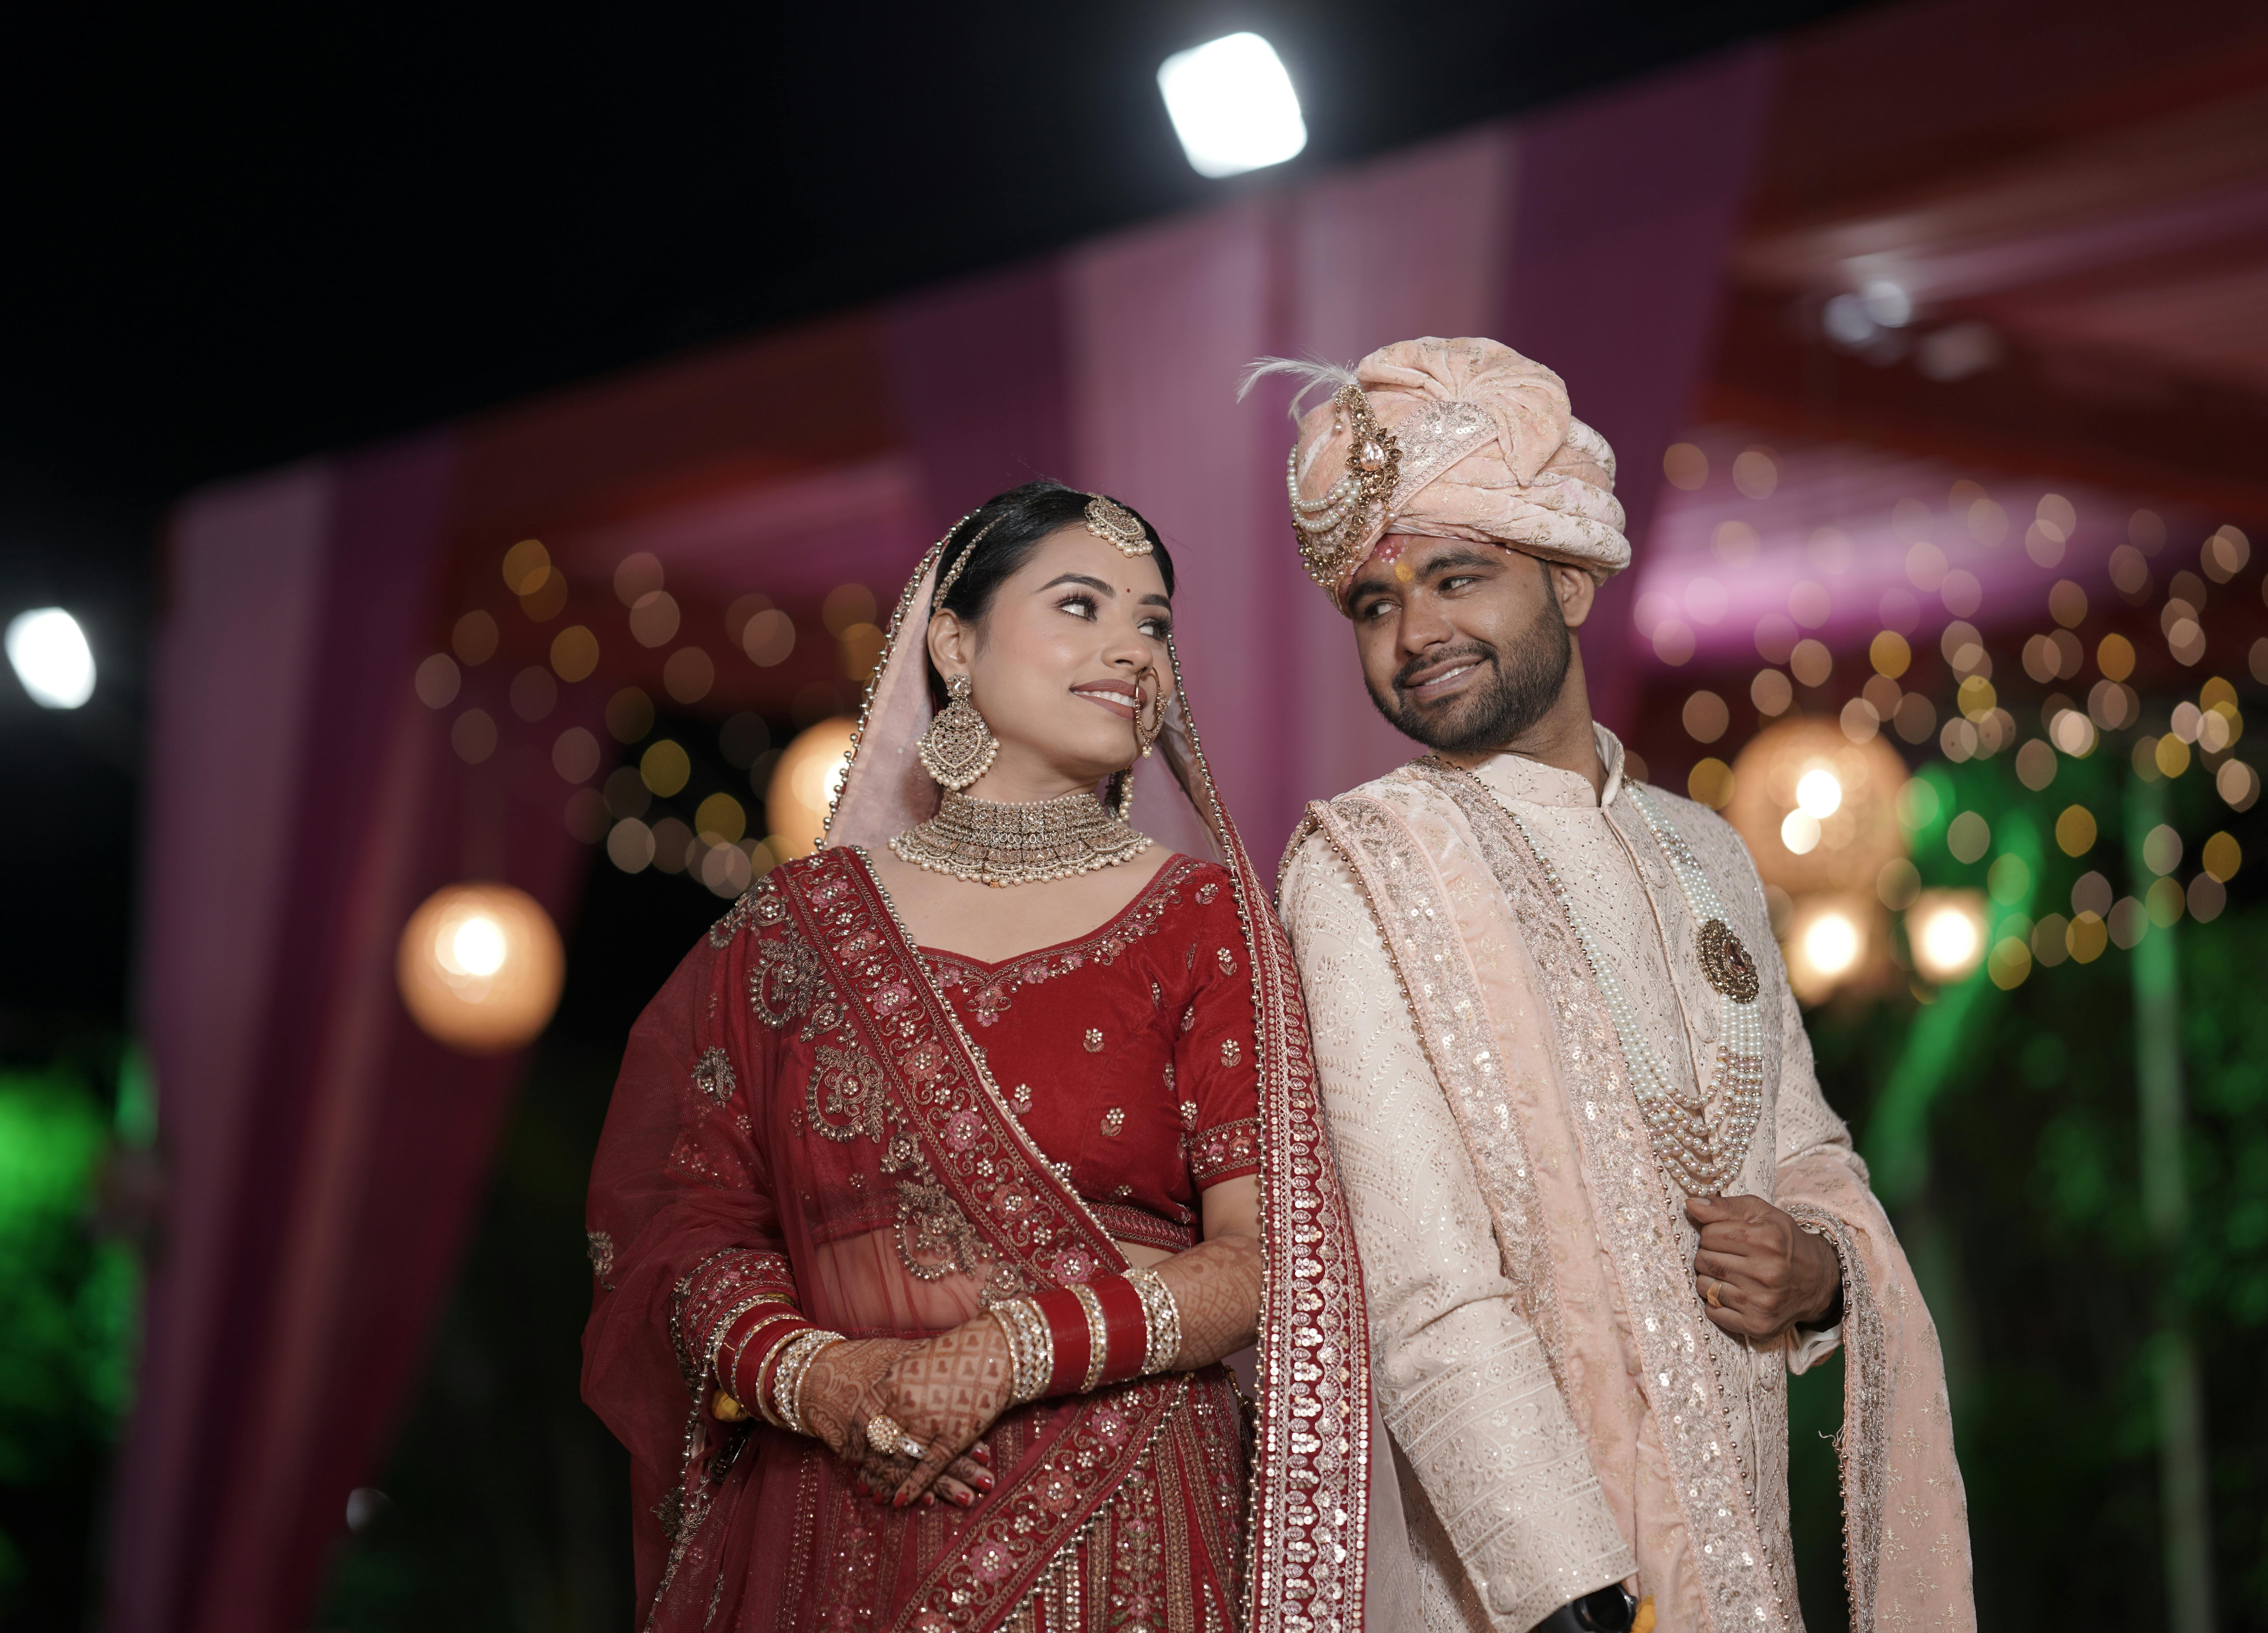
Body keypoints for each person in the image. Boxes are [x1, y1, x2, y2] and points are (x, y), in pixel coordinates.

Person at [1264, 339, 1975, 1632]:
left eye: (1456, 577)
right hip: (1528, 1593)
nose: (1416, 633)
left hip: (1743, 1555)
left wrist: (1815, 1270)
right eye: (1374, 605)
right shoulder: (1360, 865)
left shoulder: (1701, 852)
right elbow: (1425, 1293)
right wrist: (1574, 1597)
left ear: (1572, 581)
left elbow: (1806, 1153)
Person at [580, 482, 1374, 1632]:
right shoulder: (790, 932)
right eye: (1081, 605)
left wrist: (1004, 1353)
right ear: (955, 642)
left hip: (1124, 1523)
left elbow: (1267, 1259)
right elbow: (684, 1231)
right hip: (831, 1517)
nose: (1133, 652)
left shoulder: (1209, 920)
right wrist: (826, 1379)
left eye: (1153, 624)